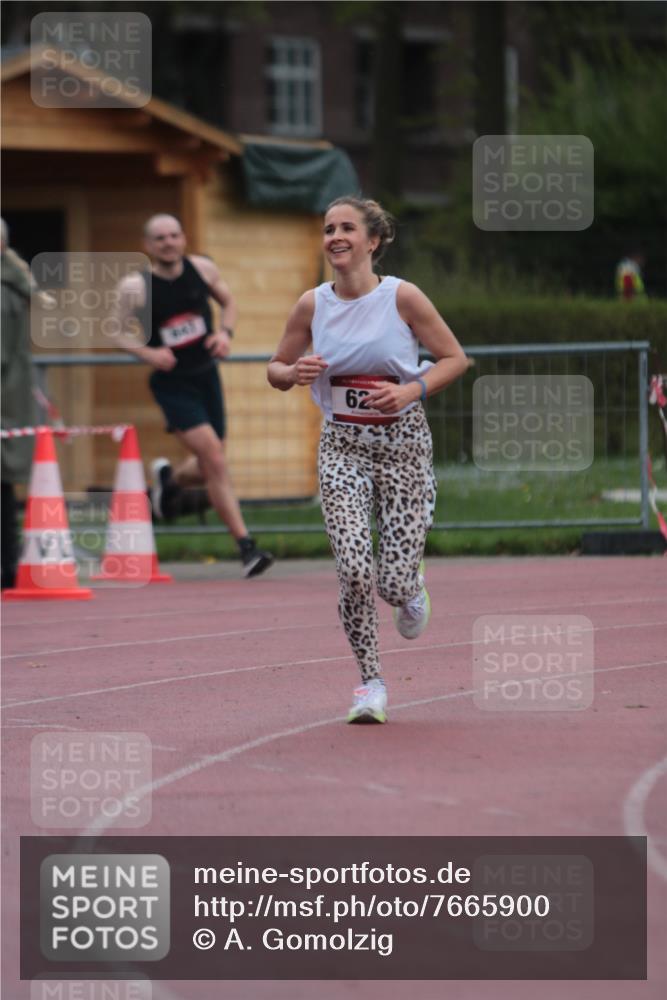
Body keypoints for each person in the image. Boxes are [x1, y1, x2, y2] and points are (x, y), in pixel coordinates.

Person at [268, 197, 468, 723]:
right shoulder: (312, 305)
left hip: (403, 447)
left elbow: (455, 358)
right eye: (328, 228)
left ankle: (410, 582)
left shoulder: (402, 296)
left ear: (372, 241)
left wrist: (410, 390)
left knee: (392, 586)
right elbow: (276, 366)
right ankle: (371, 684)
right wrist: (292, 374)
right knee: (354, 570)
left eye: (347, 228)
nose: (335, 236)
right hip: (342, 449)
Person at [116, 214, 273, 578]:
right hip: (172, 384)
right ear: (147, 245)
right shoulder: (135, 287)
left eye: (174, 236)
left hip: (206, 377)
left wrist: (225, 334)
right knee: (214, 458)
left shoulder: (202, 269)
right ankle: (247, 547)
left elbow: (229, 304)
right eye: (160, 238)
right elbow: (117, 331)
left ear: (183, 239)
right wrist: (149, 353)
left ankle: (168, 482)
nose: (168, 243)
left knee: (208, 465)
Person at [1, 218, 38, 589]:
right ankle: (8, 565)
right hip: (11, 398)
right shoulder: (16, 282)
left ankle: (8, 566)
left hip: (5, 395)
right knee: (4, 488)